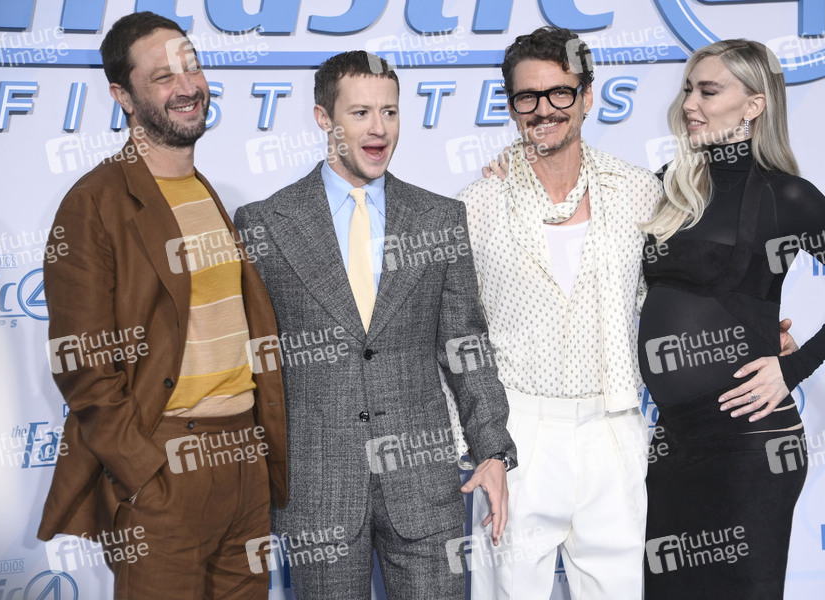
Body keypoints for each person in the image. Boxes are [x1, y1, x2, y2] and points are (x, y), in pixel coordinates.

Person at [233, 50, 516, 600]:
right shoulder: (265, 223)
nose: (379, 129)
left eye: (389, 112)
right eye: (360, 113)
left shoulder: (439, 218)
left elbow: (466, 344)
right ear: (324, 118)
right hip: (318, 489)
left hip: (424, 485)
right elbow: (253, 364)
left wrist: (492, 448)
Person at [36, 12, 288, 599]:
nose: (187, 87)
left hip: (245, 461)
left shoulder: (206, 192)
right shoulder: (93, 203)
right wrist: (145, 472)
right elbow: (83, 366)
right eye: (162, 77)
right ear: (122, 97)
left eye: (191, 68)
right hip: (166, 468)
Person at [638, 39, 825, 599]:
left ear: (754, 105)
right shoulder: (668, 186)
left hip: (752, 444)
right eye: (688, 90)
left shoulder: (788, 196)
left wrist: (793, 368)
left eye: (708, 91)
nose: (689, 104)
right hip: (673, 439)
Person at [458, 26, 660, 599]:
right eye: (528, 96)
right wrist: (479, 445)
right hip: (516, 434)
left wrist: (751, 333)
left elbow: (670, 299)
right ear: (511, 105)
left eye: (560, 92)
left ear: (587, 96)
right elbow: (455, 335)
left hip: (614, 426)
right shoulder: (476, 205)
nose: (544, 109)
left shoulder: (640, 192)